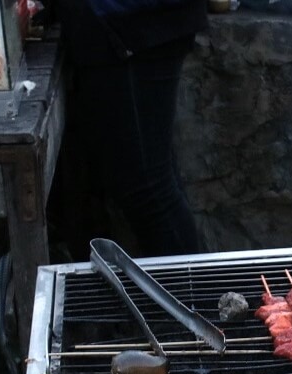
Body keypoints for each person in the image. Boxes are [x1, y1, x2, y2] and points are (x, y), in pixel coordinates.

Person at [53, 0, 207, 258]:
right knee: (152, 184)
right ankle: (184, 293)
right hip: (125, 22)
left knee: (149, 190)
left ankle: (187, 297)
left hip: (129, 23)